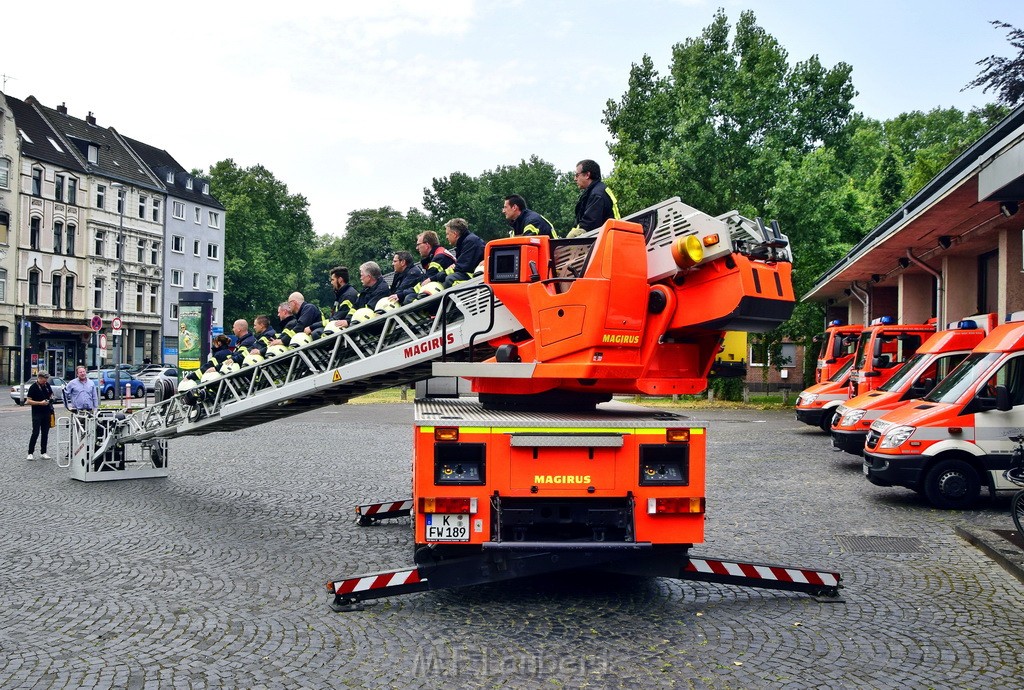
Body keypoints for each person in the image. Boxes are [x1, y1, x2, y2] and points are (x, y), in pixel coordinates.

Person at [567, 159, 620, 238]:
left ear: (587, 175)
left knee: (570, 238)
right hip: (611, 235)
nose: (575, 178)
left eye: (577, 175)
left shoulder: (596, 194)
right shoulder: (598, 190)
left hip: (608, 239)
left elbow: (588, 225)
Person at [335, 262, 390, 327]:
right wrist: (347, 320)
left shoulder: (382, 289)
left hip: (376, 325)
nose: (360, 278)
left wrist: (348, 322)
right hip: (365, 323)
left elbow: (368, 311)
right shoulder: (366, 290)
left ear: (369, 277)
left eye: (361, 275)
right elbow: (355, 307)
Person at [442, 218, 486, 288]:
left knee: (450, 279)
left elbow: (463, 267)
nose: (446, 237)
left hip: (479, 277)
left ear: (455, 234)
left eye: (447, 234)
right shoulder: (466, 242)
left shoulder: (470, 242)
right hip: (477, 275)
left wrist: (440, 275)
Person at [26, 371, 54, 461]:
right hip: (37, 412)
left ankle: (43, 452)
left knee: (45, 433)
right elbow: (28, 401)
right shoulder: (33, 387)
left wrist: (51, 399)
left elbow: (51, 394)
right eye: (44, 379)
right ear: (39, 378)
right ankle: (30, 453)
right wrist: (39, 403)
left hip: (47, 412)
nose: (45, 381)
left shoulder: (47, 385)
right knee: (35, 432)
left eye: (46, 379)